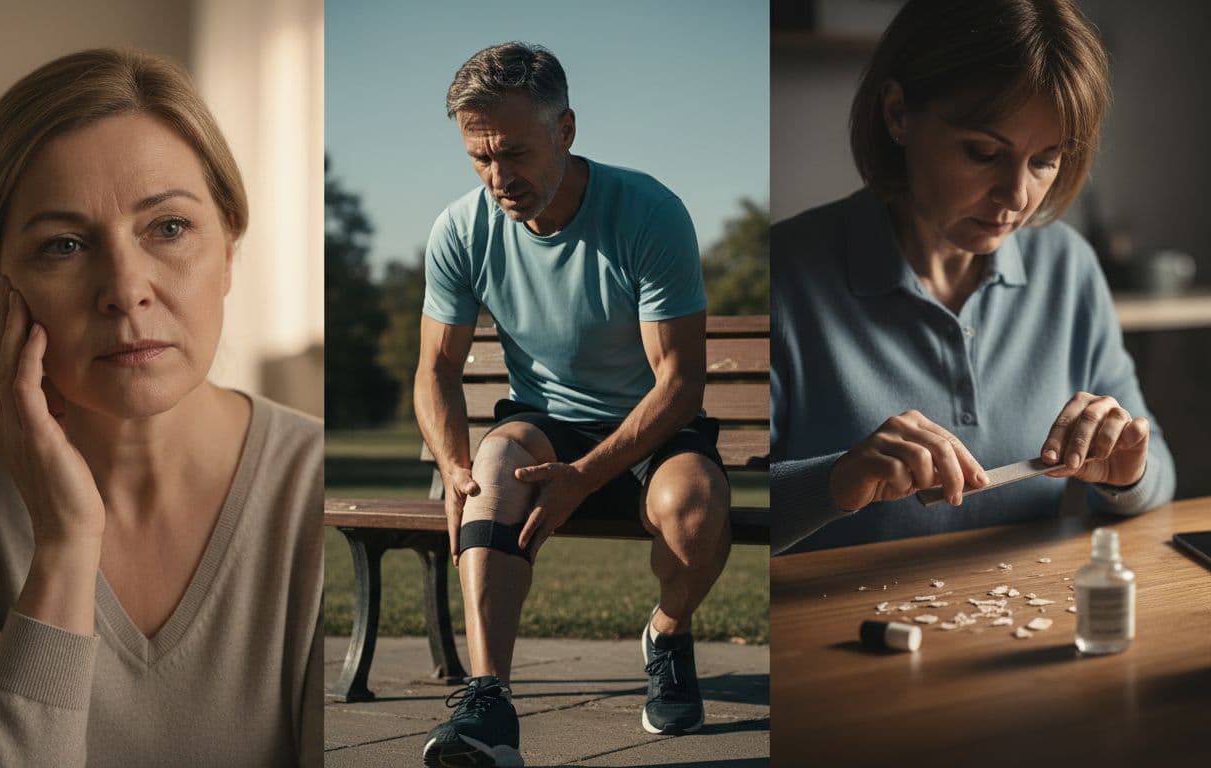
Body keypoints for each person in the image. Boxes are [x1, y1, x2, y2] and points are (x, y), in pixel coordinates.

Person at [0, 49, 324, 765]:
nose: (126, 288)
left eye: (167, 228)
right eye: (65, 245)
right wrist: (64, 546)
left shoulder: (318, 488)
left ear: (230, 244)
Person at [414, 42, 732, 767]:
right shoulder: (461, 230)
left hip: (651, 421)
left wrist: (587, 475)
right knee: (489, 470)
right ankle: (487, 704)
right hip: (543, 421)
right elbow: (435, 366)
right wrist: (454, 464)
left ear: (565, 130)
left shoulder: (648, 212)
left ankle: (668, 632)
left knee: (694, 507)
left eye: (516, 153)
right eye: (479, 158)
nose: (499, 177)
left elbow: (680, 380)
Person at [771, 0, 1175, 554]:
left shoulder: (1069, 267)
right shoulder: (785, 274)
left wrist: (1128, 470)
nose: (1017, 198)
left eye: (1045, 161)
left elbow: (1159, 474)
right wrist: (836, 482)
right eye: (984, 153)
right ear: (897, 113)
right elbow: (726, 504)